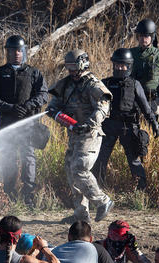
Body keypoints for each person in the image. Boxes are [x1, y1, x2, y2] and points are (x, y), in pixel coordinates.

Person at [47, 50, 114, 224]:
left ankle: (103, 201)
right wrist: (55, 112)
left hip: (90, 134)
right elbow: (54, 105)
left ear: (83, 64)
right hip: (74, 134)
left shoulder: (92, 84)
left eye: (74, 66)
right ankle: (81, 215)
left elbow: (103, 108)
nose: (71, 70)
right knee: (70, 170)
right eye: (68, 67)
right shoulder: (66, 85)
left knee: (79, 168)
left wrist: (89, 123)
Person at [0, 35, 48, 206]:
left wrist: (28, 106)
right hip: (7, 125)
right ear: (7, 52)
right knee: (9, 158)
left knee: (28, 158)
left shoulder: (33, 73)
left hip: (28, 126)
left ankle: (29, 195)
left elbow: (43, 95)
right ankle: (9, 194)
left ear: (24, 52)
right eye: (12, 51)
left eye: (19, 51)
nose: (16, 54)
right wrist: (10, 108)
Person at [92, 48, 159, 190]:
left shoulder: (135, 84)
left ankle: (141, 190)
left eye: (122, 65)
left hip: (128, 127)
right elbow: (93, 103)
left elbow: (145, 107)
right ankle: (97, 189)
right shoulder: (106, 83)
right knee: (100, 158)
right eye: (116, 65)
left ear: (129, 66)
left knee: (134, 160)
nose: (119, 68)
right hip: (109, 126)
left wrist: (154, 123)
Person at [130, 19, 159, 132]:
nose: (143, 39)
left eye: (146, 36)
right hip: (135, 100)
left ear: (152, 37)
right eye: (140, 36)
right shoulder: (130, 54)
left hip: (155, 100)